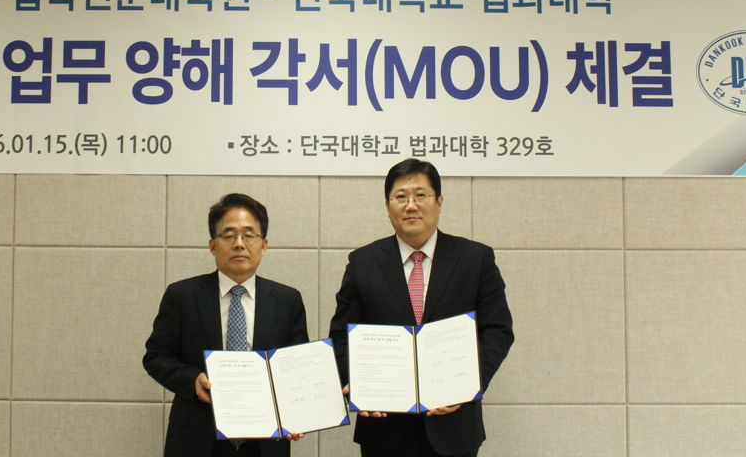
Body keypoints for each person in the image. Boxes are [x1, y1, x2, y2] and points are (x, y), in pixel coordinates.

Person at [328, 158, 514, 457]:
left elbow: (497, 331)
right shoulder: (363, 263)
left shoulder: (475, 259)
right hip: (384, 427)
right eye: (400, 197)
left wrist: (469, 384)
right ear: (387, 205)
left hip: (454, 425)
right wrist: (358, 383)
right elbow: (341, 335)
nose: (411, 205)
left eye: (421, 195)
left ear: (439, 202)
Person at [144, 193, 309, 457]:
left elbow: (298, 369)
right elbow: (156, 357)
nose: (239, 244)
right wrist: (192, 380)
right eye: (229, 235)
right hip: (197, 438)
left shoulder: (287, 300)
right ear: (213, 245)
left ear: (263, 245)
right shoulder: (183, 296)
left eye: (249, 235)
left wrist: (298, 414)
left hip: (266, 442)